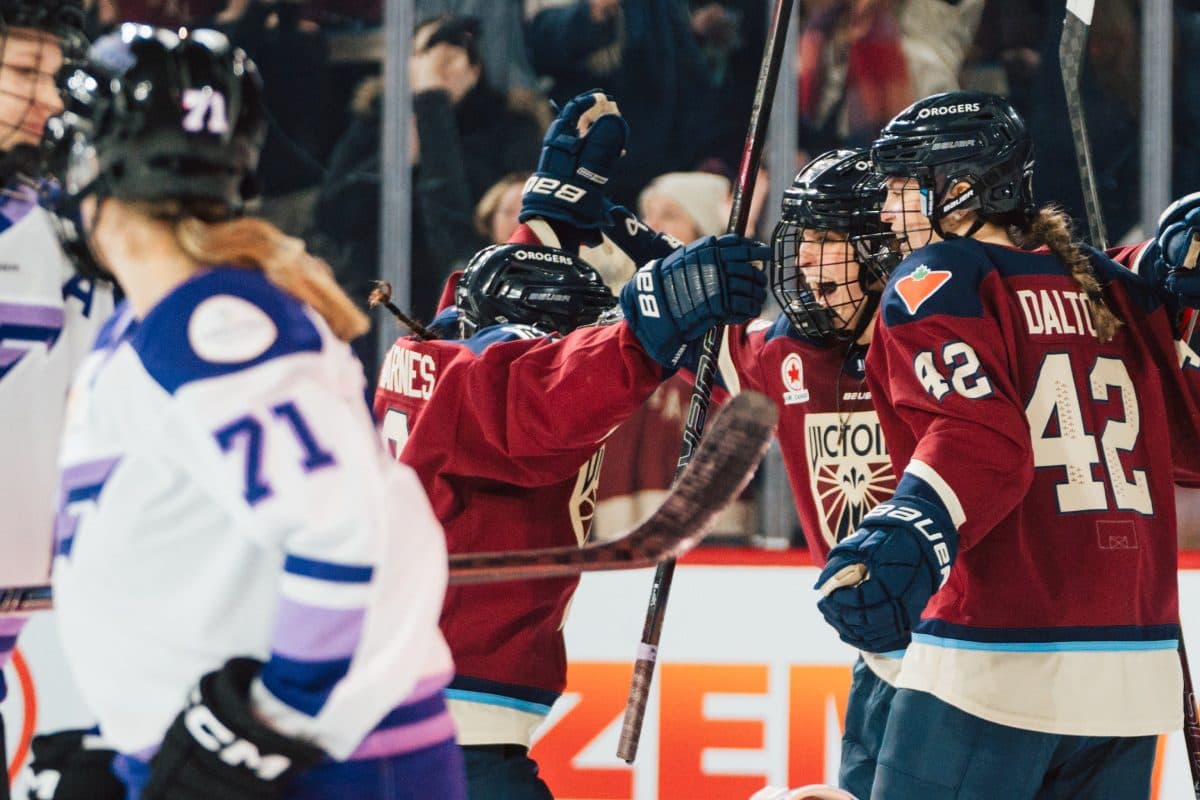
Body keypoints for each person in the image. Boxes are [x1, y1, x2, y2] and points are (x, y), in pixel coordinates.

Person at [48, 25, 464, 800]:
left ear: (90, 165)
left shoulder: (210, 327)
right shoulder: (160, 320)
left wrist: (262, 729)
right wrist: (123, 738)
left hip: (326, 768)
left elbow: (344, 534)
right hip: (249, 760)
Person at [373, 90, 768, 798]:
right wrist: (649, 324)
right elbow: (546, 391)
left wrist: (547, 222)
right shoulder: (493, 387)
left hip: (409, 701)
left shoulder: (431, 356)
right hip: (456, 725)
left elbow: (495, 315)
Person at [814, 91, 1200, 799]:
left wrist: (912, 529)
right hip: (1134, 665)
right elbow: (1188, 449)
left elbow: (980, 438)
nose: (889, 207)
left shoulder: (941, 276)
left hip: (1000, 649)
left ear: (958, 190)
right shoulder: (1115, 288)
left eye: (904, 184)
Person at [716, 149, 900, 797]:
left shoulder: (940, 339)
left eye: (827, 240)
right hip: (877, 660)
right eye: (803, 242)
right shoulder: (782, 351)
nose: (805, 263)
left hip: (964, 654)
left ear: (881, 248)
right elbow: (694, 350)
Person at [0, 2, 119, 797]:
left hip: (40, 602)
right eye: (19, 75)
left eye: (53, 78)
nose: (42, 99)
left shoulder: (82, 226)